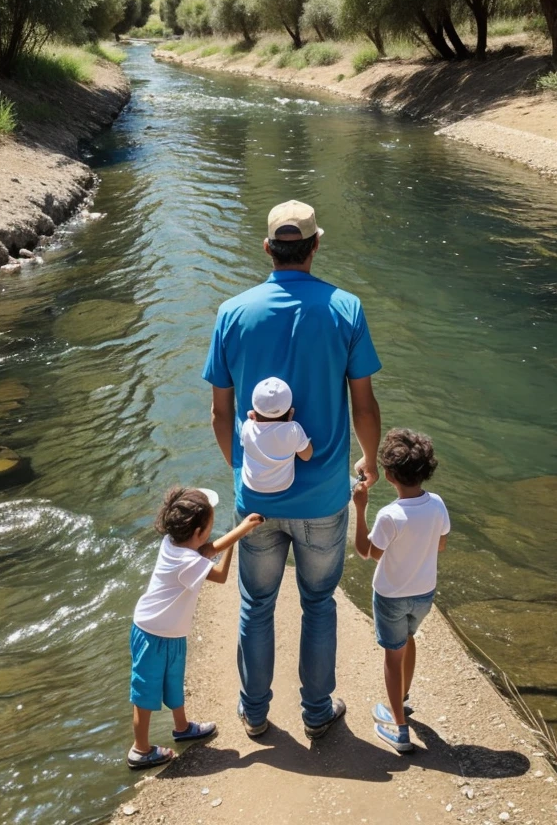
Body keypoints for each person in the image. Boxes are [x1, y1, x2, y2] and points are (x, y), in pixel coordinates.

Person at [202, 200, 382, 739]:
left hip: (256, 500)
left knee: (256, 604)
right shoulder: (345, 308)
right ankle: (316, 710)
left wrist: (242, 466)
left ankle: (255, 713)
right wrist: (369, 462)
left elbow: (220, 412)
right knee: (319, 603)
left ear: (267, 248)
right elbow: (364, 406)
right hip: (324, 496)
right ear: (315, 245)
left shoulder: (232, 313)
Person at [128, 487, 263, 769]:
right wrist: (237, 538)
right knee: (145, 694)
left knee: (174, 682)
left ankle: (182, 728)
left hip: (171, 633)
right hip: (152, 633)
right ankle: (140, 750)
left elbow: (206, 550)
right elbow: (221, 575)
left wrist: (234, 533)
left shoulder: (173, 542)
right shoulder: (185, 561)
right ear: (199, 531)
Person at [353, 428, 450, 753]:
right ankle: (403, 701)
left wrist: (361, 507)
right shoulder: (437, 504)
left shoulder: (389, 515)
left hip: (391, 595)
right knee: (408, 640)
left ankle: (399, 728)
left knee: (391, 658)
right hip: (424, 594)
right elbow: (441, 544)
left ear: (390, 475)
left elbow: (368, 552)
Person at [240, 376, 313, 495]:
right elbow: (307, 455)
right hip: (283, 484)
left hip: (251, 484)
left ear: (253, 413)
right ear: (291, 412)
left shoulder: (247, 427)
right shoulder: (293, 430)